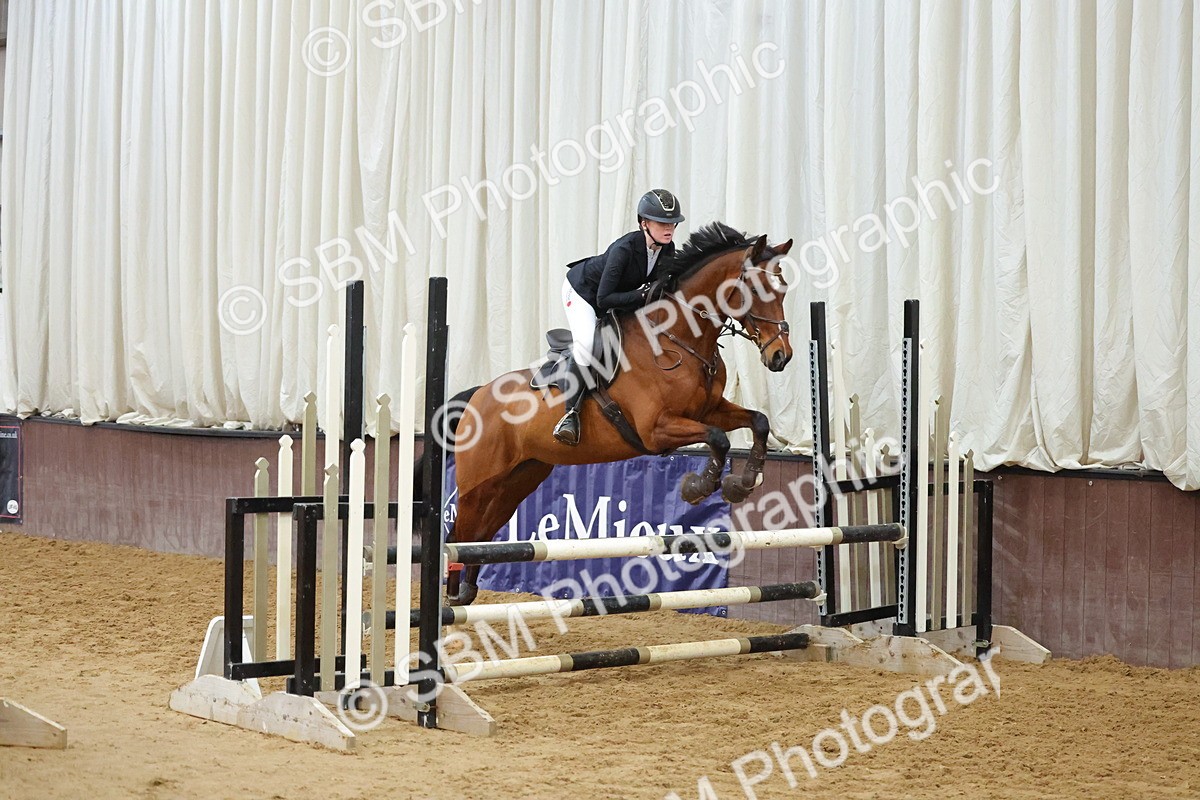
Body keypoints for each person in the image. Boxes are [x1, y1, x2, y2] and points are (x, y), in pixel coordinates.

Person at [553, 188, 685, 446]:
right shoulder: (624, 249)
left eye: (672, 223)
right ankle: (569, 415)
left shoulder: (667, 250)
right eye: (662, 223)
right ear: (644, 223)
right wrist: (642, 295)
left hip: (619, 295)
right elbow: (604, 299)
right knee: (587, 344)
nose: (669, 228)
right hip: (583, 294)